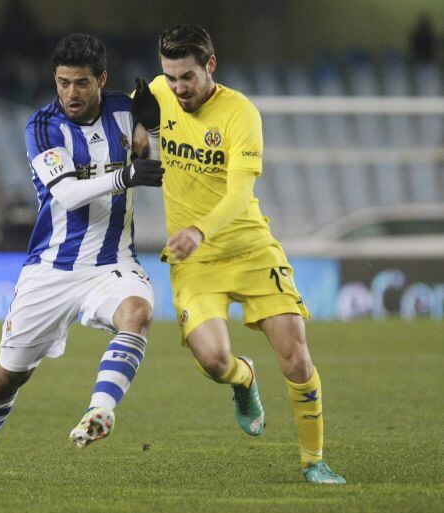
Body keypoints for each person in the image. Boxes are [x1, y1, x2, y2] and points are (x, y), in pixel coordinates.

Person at [0, 33, 165, 482]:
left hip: (112, 261)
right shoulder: (42, 127)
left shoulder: (124, 110)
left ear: (101, 79)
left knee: (137, 314)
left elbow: (154, 169)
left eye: (81, 83)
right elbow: (68, 193)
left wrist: (152, 135)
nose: (70, 94)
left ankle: (99, 411)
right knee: (8, 376)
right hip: (51, 270)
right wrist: (127, 174)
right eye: (62, 83)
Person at [131, 24, 346, 485]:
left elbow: (239, 192)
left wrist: (199, 229)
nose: (178, 88)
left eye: (187, 77)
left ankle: (314, 461)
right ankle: (243, 379)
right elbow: (135, 123)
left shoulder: (240, 113)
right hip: (195, 262)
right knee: (213, 361)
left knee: (296, 359)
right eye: (170, 77)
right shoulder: (156, 93)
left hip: (249, 249)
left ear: (210, 66)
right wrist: (137, 136)